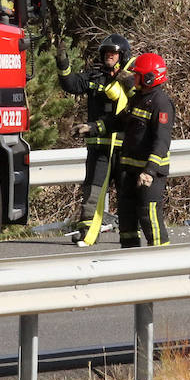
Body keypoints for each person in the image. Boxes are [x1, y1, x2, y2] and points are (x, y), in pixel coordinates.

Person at [88, 52, 174, 248]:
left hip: (148, 173)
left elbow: (162, 141)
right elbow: (119, 121)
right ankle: (129, 259)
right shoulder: (138, 99)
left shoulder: (161, 103)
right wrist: (92, 127)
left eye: (137, 75)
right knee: (126, 219)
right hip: (128, 170)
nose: (134, 78)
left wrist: (150, 170)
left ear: (149, 78)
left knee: (148, 215)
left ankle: (162, 259)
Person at [60, 34, 132, 246]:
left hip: (124, 147)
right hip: (99, 148)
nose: (109, 56)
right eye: (106, 53)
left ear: (122, 56)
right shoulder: (94, 76)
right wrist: (62, 63)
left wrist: (126, 80)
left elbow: (139, 103)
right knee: (93, 191)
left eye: (114, 53)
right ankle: (87, 233)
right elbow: (71, 84)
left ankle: (130, 236)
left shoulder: (131, 79)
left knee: (126, 193)